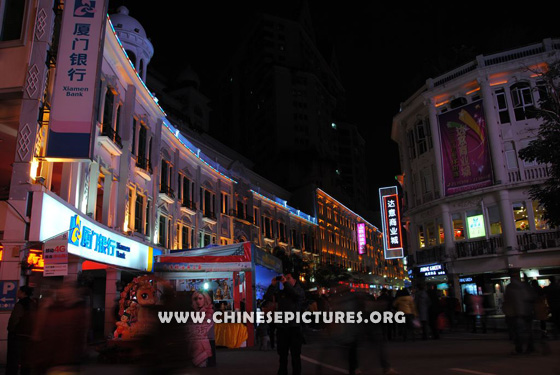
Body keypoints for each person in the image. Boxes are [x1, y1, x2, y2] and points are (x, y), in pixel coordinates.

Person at [264, 272, 305, 375]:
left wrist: (285, 283)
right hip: (282, 327)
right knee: (282, 355)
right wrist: (272, 285)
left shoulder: (299, 290)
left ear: (294, 280)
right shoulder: (282, 292)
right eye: (285, 278)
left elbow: (295, 294)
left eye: (288, 278)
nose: (285, 280)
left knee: (295, 355)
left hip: (294, 327)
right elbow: (267, 297)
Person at [503, 271, 535, 355]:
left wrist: (517, 312)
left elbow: (513, 301)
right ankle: (530, 347)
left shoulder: (511, 287)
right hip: (527, 311)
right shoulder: (525, 286)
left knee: (518, 331)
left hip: (516, 313)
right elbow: (529, 298)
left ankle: (519, 348)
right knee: (527, 330)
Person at [6, 285, 36, 375]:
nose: (17, 293)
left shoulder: (20, 305)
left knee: (13, 360)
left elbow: (14, 320)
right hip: (29, 336)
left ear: (23, 293)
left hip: (18, 336)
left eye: (19, 291)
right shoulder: (33, 304)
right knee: (26, 361)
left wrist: (10, 330)